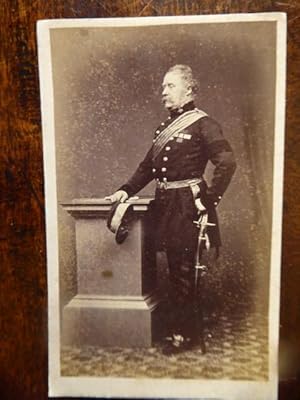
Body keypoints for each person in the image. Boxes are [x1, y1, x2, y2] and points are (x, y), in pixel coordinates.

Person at [105, 64, 236, 354]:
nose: (163, 92)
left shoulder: (205, 124)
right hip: (163, 205)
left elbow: (227, 162)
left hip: (187, 206)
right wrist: (125, 190)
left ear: (188, 89)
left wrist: (209, 200)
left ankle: (183, 334)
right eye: (163, 86)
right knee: (167, 266)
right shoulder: (163, 128)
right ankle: (178, 325)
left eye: (170, 86)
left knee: (182, 269)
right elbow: (146, 168)